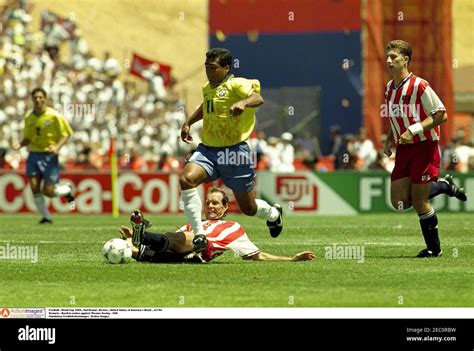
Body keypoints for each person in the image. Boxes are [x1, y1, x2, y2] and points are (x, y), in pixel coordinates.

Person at [179, 48, 283, 251]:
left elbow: (258, 98)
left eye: (213, 68)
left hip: (234, 152)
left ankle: (273, 214)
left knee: (248, 208)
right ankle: (200, 235)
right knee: (186, 179)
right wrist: (188, 122)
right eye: (207, 67)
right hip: (208, 149)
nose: (209, 72)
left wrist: (244, 102)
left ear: (226, 68)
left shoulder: (237, 84)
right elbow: (206, 105)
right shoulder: (208, 87)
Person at [382, 40, 467, 258]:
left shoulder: (420, 85)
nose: (389, 60)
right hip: (403, 149)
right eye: (388, 56)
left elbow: (441, 114)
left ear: (406, 60)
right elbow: (396, 116)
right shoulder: (389, 88)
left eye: (394, 57)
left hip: (424, 147)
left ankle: (434, 249)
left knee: (419, 201)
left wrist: (414, 129)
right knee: (399, 202)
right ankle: (444, 185)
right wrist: (390, 137)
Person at [120, 188, 315, 264]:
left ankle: (142, 235)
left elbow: (258, 255)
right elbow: (169, 240)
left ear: (225, 208)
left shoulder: (233, 227)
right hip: (177, 254)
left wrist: (291, 259)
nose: (211, 206)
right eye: (208, 203)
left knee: (185, 238)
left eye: (216, 203)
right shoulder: (196, 223)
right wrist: (129, 239)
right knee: (133, 250)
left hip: (200, 251)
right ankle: (137, 238)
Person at [13, 87, 74, 224]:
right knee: (34, 186)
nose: (38, 100)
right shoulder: (29, 117)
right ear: (32, 99)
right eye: (35, 97)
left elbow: (67, 133)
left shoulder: (54, 115)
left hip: (49, 156)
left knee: (48, 191)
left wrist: (57, 147)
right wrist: (20, 144)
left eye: (41, 97)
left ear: (45, 99)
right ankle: (46, 217)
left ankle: (67, 189)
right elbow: (28, 138)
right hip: (34, 154)